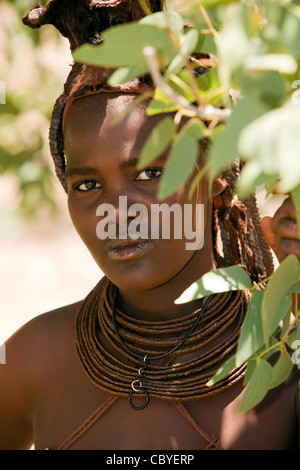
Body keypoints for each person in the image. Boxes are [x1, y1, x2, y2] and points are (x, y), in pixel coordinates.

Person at [0, 0, 299, 451]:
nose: (116, 213)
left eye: (149, 175)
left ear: (216, 174)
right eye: (86, 185)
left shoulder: (285, 370)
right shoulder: (30, 360)